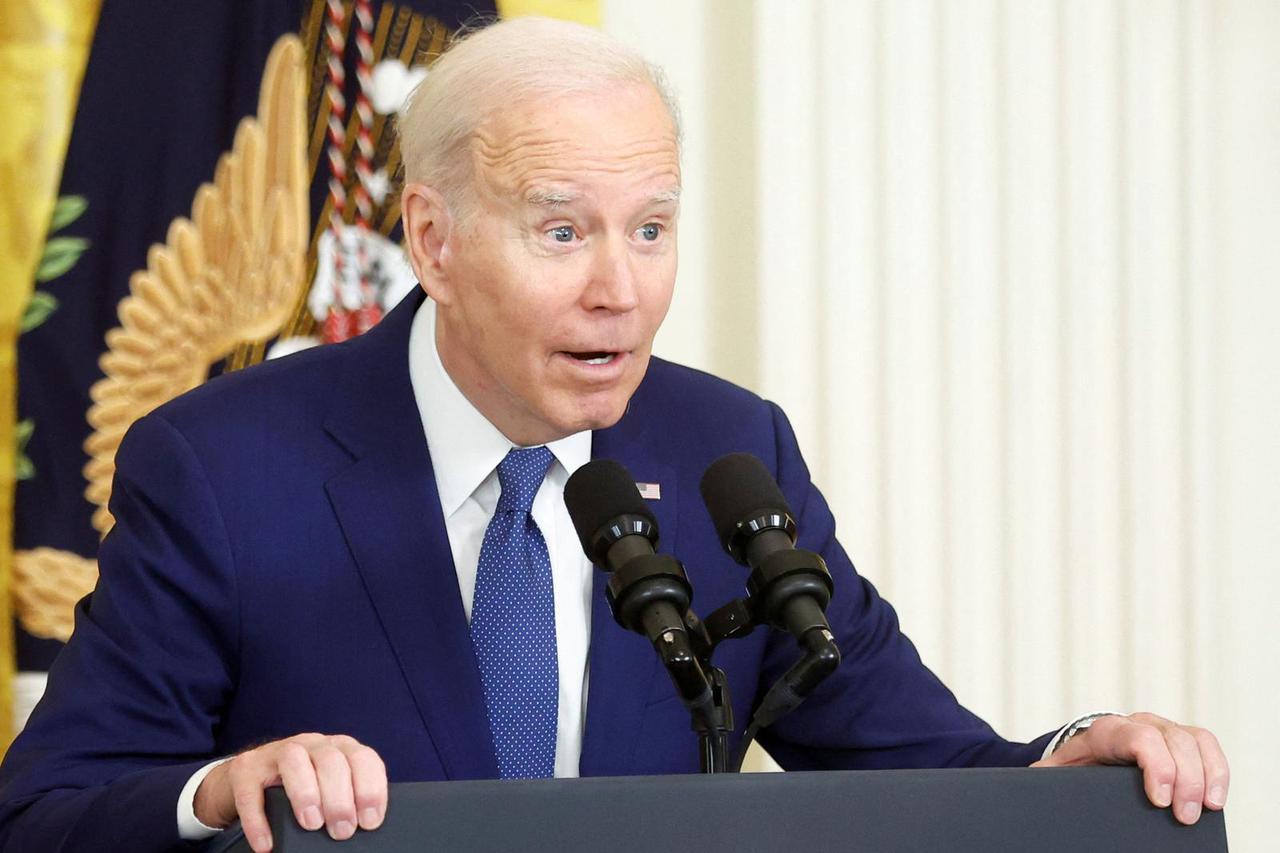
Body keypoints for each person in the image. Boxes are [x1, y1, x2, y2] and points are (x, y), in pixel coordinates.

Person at [0, 16, 1228, 853]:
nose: (620, 288)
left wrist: (1071, 759)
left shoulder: (726, 452)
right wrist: (220, 794)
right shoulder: (225, 467)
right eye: (560, 230)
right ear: (431, 239)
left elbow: (914, 764)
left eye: (649, 228)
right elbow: (47, 810)